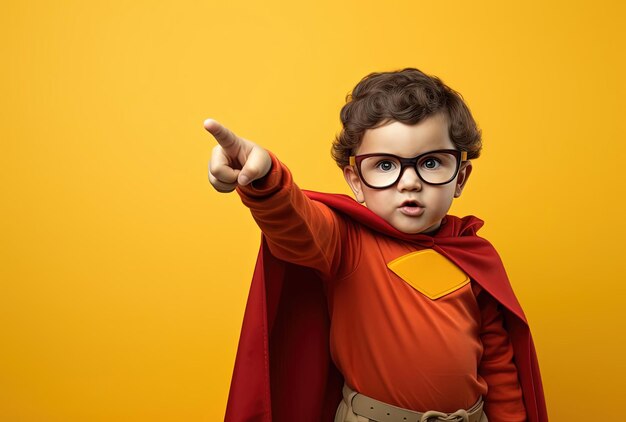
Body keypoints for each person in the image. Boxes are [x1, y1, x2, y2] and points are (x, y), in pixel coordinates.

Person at [204, 68, 547, 422]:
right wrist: (265, 179)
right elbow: (296, 224)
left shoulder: (472, 255)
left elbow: (499, 365)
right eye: (385, 165)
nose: (410, 182)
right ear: (355, 180)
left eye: (431, 163)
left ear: (459, 178)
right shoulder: (345, 242)